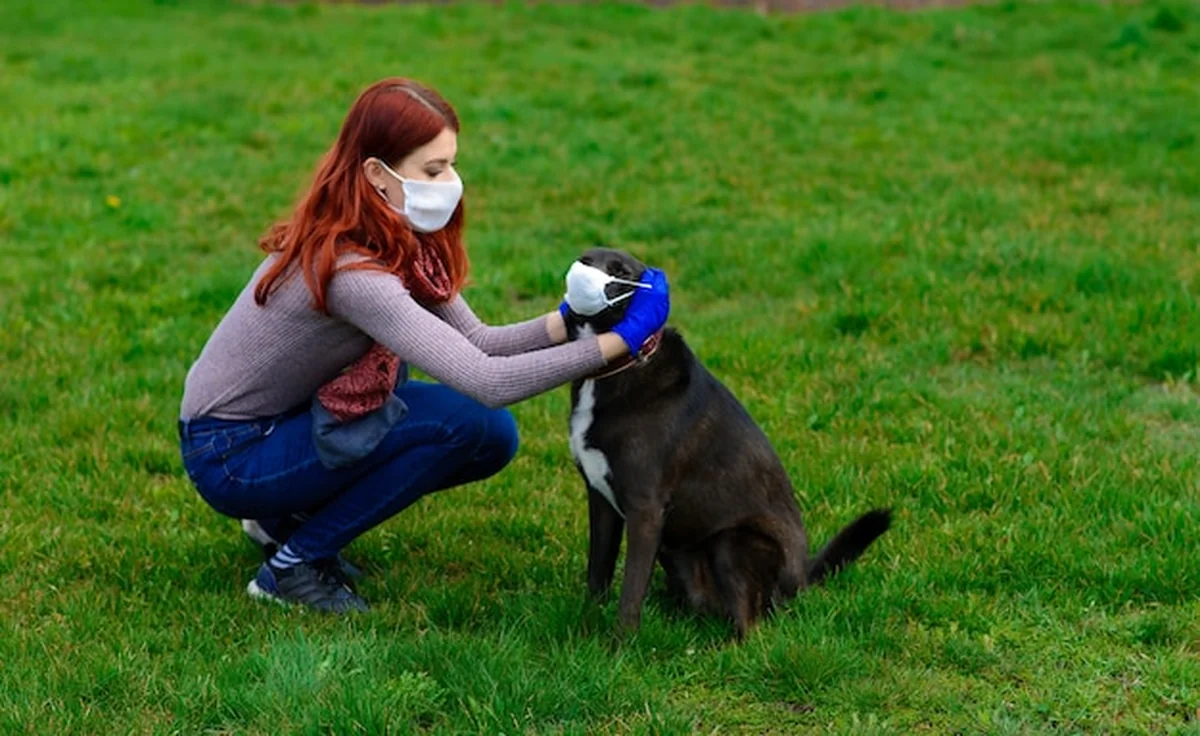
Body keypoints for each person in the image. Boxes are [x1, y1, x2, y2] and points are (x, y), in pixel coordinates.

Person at [177, 78, 670, 614]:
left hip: (267, 426)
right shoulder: (354, 273)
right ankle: (291, 566)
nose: (452, 183)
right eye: (433, 170)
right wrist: (620, 342)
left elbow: (478, 340)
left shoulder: (390, 236)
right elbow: (487, 381)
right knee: (466, 425)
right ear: (376, 176)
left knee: (472, 426)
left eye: (451, 165)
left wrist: (571, 319)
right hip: (230, 454)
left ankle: (281, 521)